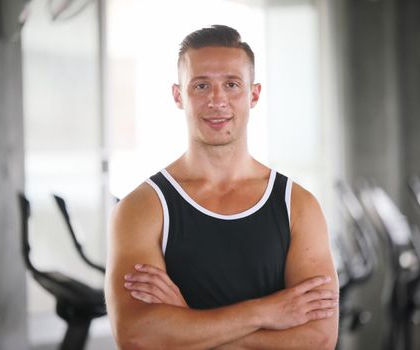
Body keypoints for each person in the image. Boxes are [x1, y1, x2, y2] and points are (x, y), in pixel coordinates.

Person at [105, 24, 339, 349]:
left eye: (232, 84)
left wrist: (186, 322)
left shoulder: (297, 206)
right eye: (201, 86)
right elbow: (137, 337)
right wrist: (266, 312)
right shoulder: (141, 208)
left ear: (253, 94)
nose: (217, 100)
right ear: (178, 95)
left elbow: (318, 339)